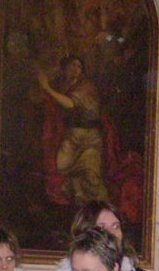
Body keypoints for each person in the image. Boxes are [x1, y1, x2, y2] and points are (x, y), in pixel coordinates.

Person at [38, 55, 110, 206]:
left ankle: (103, 208)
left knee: (90, 175)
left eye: (79, 67)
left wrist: (47, 89)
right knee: (62, 167)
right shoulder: (62, 85)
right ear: (64, 69)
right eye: (72, 66)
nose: (76, 70)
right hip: (72, 136)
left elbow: (70, 104)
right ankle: (79, 206)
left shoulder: (87, 87)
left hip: (90, 138)